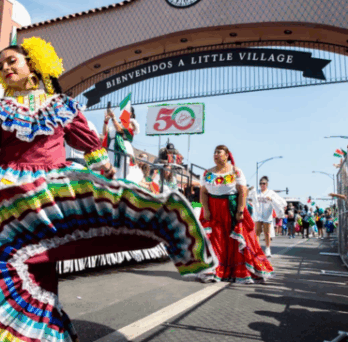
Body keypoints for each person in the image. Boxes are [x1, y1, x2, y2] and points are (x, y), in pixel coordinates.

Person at [0, 38, 217, 342]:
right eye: (1, 65)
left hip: (53, 197)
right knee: (13, 264)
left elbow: (89, 143)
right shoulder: (1, 109)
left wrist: (103, 169)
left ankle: (176, 233)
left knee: (39, 261)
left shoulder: (59, 106)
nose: (6, 67)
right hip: (8, 197)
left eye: (12, 61)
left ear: (33, 64)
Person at [199, 145, 274, 283]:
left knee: (234, 241)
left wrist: (240, 210)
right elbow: (203, 192)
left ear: (227, 155)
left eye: (219, 152)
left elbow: (242, 191)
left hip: (231, 209)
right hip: (213, 211)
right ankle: (214, 271)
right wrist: (206, 210)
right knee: (215, 240)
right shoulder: (207, 173)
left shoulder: (236, 171)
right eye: (214, 152)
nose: (216, 155)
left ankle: (237, 271)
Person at [103, 104, 143, 183]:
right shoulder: (116, 122)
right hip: (112, 148)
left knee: (123, 170)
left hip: (123, 147)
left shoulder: (131, 122)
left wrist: (113, 118)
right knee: (111, 167)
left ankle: (122, 184)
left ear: (130, 113)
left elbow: (120, 130)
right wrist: (106, 121)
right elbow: (105, 133)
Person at [249, 176, 287, 257]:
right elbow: (247, 195)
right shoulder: (256, 192)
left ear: (267, 184)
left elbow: (281, 202)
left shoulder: (271, 193)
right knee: (257, 232)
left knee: (267, 233)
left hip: (267, 215)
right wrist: (249, 189)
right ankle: (256, 248)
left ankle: (267, 248)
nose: (262, 185)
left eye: (264, 183)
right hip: (258, 215)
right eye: (261, 183)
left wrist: (271, 199)